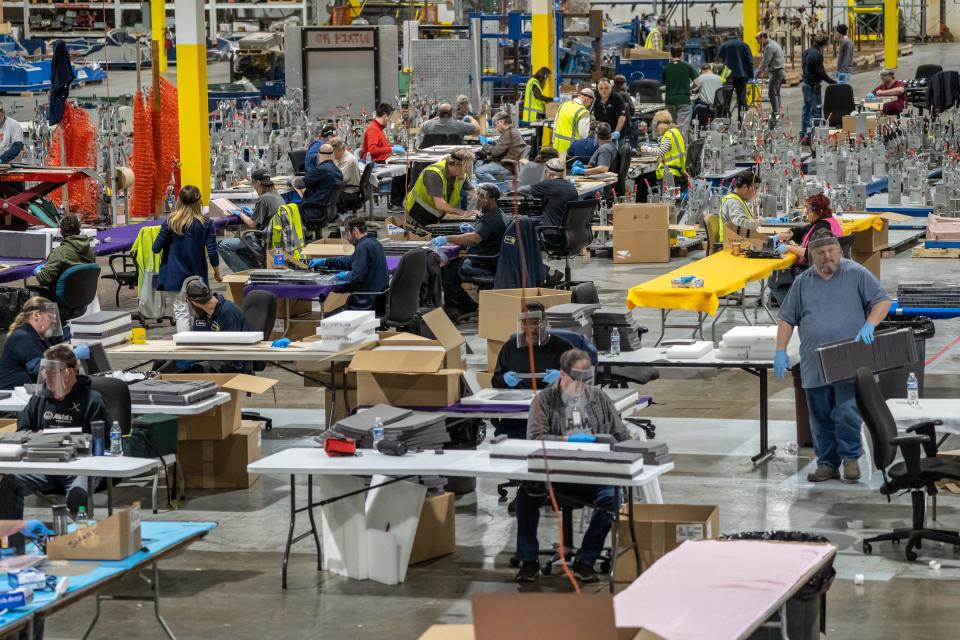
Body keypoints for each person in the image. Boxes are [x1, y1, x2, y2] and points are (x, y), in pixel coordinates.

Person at [774, 230, 891, 483]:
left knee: (847, 411)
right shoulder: (803, 282)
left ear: (839, 250)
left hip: (849, 358)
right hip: (814, 361)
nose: (827, 257)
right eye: (820, 253)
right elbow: (786, 318)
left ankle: (850, 459)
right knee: (820, 415)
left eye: (831, 251)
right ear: (811, 256)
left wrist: (870, 324)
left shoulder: (856, 273)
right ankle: (827, 463)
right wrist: (780, 350)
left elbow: (882, 301)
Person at [514, 348, 630, 583]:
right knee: (526, 496)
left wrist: (629, 451)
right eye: (575, 379)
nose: (581, 385)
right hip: (555, 475)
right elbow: (536, 439)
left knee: (614, 499)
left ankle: (585, 560)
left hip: (592, 475)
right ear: (562, 374)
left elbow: (621, 435)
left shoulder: (599, 399)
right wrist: (567, 440)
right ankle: (528, 561)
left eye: (585, 379)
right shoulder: (544, 400)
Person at [0, 344, 107, 520]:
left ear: (70, 372)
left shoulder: (91, 400)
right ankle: (12, 540)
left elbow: (102, 442)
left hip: (80, 465)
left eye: (53, 371)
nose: (47, 376)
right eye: (44, 371)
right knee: (10, 484)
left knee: (78, 494)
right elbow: (23, 431)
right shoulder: (38, 399)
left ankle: (82, 540)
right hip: (44, 462)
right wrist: (36, 438)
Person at [435, 184, 508, 320]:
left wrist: (447, 238)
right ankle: (461, 305)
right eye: (478, 195)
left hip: (483, 262)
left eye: (482, 196)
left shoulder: (491, 219)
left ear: (492, 199)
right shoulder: (494, 214)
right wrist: (472, 230)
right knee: (452, 265)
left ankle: (462, 307)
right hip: (488, 258)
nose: (478, 198)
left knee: (447, 270)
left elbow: (475, 239)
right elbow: (480, 234)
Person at [768, 193, 844, 304]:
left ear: (814, 211)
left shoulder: (822, 227)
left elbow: (812, 253)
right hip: (831, 269)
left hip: (818, 271)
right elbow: (804, 231)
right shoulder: (827, 221)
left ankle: (796, 312)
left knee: (775, 279)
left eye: (807, 210)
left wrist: (788, 247)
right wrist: (781, 236)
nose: (807, 214)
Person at [306, 218, 387, 311]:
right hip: (378, 298)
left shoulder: (363, 247)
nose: (346, 238)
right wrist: (326, 261)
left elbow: (356, 277)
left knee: (330, 316)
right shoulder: (373, 242)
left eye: (346, 234)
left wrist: (339, 276)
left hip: (367, 301)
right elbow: (350, 260)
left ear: (355, 231)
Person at [152, 185, 221, 294]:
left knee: (181, 310)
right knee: (198, 309)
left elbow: (155, 248)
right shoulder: (206, 224)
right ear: (199, 202)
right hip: (197, 277)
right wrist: (217, 273)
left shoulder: (171, 222)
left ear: (179, 200)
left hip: (174, 276)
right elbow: (212, 252)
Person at [218, 170, 284, 272]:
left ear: (257, 183)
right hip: (275, 237)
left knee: (223, 245)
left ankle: (247, 274)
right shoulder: (277, 195)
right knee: (238, 241)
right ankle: (255, 270)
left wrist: (240, 213)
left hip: (263, 239)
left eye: (254, 185)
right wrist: (251, 213)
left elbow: (252, 224)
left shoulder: (263, 198)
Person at [404, 148, 477, 227]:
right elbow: (440, 204)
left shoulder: (461, 175)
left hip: (436, 216)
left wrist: (484, 204)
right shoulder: (433, 174)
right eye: (466, 167)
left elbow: (474, 194)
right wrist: (464, 213)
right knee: (422, 237)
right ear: (456, 164)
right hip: (417, 215)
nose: (467, 170)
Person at [0, 297, 61, 390]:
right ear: (36, 316)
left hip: (27, 392)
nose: (55, 321)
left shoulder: (38, 337)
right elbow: (42, 369)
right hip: (13, 397)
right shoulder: (22, 337)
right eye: (50, 317)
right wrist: (72, 358)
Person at [31, 214, 94, 300]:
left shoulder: (59, 252)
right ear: (79, 230)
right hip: (83, 299)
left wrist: (38, 271)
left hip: (61, 300)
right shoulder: (89, 251)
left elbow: (45, 278)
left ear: (60, 231)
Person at [360, 103, 406, 213]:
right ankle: (395, 204)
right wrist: (391, 150)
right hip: (374, 163)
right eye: (389, 118)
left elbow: (382, 147)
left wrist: (392, 147)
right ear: (385, 116)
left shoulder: (379, 128)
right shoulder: (373, 129)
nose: (389, 121)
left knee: (406, 169)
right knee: (402, 172)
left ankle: (397, 202)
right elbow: (373, 150)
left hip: (381, 160)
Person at [636, 110, 686, 202]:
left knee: (640, 180)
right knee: (674, 200)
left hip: (669, 172)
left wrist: (647, 149)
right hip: (678, 170)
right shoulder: (676, 132)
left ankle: (642, 206)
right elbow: (667, 148)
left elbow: (660, 151)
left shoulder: (668, 135)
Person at [800, 34, 836, 144]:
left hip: (805, 84)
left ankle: (803, 134)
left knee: (806, 110)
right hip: (813, 86)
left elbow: (803, 66)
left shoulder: (807, 51)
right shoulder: (818, 55)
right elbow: (821, 73)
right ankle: (809, 136)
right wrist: (832, 82)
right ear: (825, 44)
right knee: (816, 113)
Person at [525, 157, 578, 229]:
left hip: (552, 232)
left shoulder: (547, 185)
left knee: (522, 220)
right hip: (569, 232)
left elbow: (522, 190)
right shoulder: (571, 187)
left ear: (548, 172)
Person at [474, 112, 525, 184]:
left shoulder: (509, 133)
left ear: (501, 121)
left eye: (495, 124)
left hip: (507, 166)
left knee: (479, 171)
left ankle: (496, 188)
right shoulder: (513, 131)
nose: (495, 128)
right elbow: (502, 147)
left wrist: (485, 145)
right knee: (480, 163)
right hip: (509, 164)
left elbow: (495, 152)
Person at [301, 143, 343, 225]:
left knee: (288, 209)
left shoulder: (320, 169)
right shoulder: (337, 171)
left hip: (314, 209)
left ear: (318, 155)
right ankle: (309, 233)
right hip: (329, 209)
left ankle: (305, 234)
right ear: (333, 154)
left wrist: (292, 181)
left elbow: (300, 184)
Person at [717, 32, 754, 121]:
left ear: (728, 37)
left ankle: (725, 119)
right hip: (742, 75)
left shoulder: (724, 45)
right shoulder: (744, 45)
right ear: (737, 37)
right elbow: (749, 61)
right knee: (741, 99)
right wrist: (751, 75)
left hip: (727, 75)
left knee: (726, 99)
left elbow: (719, 59)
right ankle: (741, 120)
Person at [330, 136, 371, 212]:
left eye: (333, 151)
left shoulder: (349, 160)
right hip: (347, 190)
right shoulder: (339, 157)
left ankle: (331, 218)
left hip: (349, 193)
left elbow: (340, 180)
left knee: (324, 196)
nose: (332, 154)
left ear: (341, 149)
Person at [662, 45, 698, 128]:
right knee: (682, 127)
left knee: (671, 126)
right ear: (681, 54)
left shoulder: (666, 68)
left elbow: (664, 83)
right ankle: (682, 140)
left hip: (670, 100)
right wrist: (691, 89)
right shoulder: (687, 66)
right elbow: (697, 82)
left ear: (670, 54)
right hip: (683, 100)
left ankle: (672, 140)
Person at [717, 171, 761, 240]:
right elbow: (741, 224)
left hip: (741, 241)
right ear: (745, 187)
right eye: (755, 188)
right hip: (731, 245)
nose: (755, 192)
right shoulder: (733, 202)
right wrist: (765, 222)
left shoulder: (740, 200)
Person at [552, 88, 594, 155]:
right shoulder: (583, 112)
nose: (589, 104)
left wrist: (553, 142)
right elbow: (583, 135)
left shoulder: (563, 105)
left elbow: (555, 126)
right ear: (587, 99)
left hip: (557, 146)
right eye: (590, 102)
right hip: (571, 149)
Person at [757, 32, 785, 117]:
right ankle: (778, 110)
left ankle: (776, 112)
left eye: (758, 40)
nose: (757, 42)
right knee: (776, 92)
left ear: (763, 38)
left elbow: (765, 61)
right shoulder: (771, 43)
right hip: (779, 71)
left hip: (776, 72)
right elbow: (765, 59)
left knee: (772, 93)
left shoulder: (770, 47)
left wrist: (757, 72)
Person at [591, 78, 628, 143]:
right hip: (603, 135)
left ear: (611, 88)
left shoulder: (616, 97)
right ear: (598, 89)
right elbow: (596, 119)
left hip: (616, 133)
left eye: (606, 88)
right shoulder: (596, 99)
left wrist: (617, 132)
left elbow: (622, 116)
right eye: (601, 88)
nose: (604, 91)